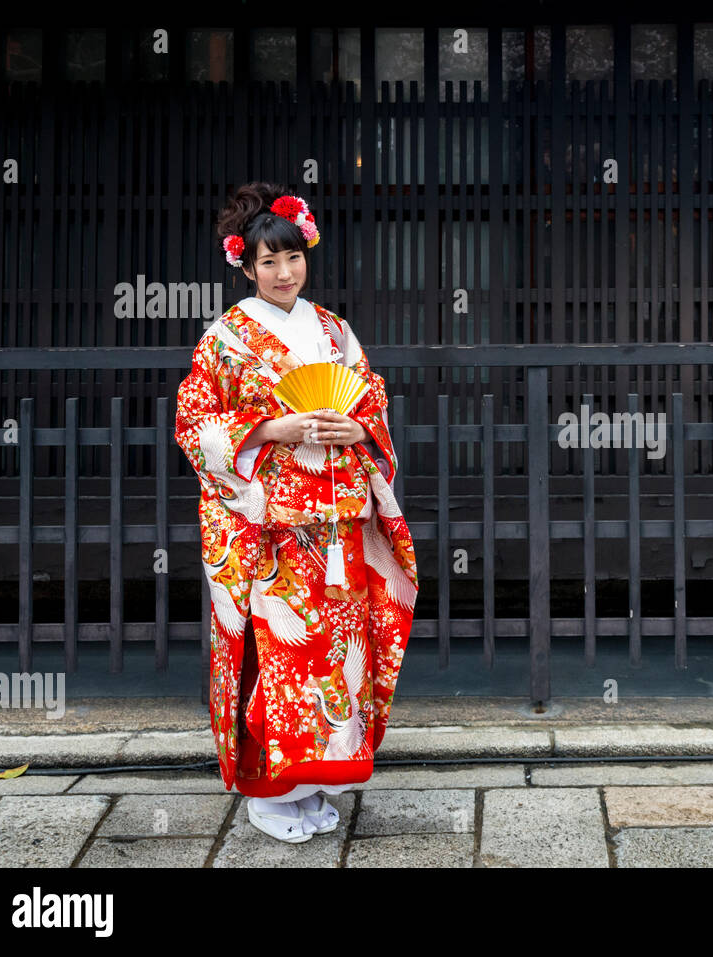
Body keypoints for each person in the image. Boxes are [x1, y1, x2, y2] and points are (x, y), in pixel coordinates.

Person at [174, 182, 418, 843]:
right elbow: (195, 425)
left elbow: (371, 404)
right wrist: (269, 431)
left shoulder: (335, 330)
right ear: (246, 268)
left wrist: (359, 431)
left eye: (293, 258)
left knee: (337, 657)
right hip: (271, 529)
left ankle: (314, 784)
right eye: (268, 263)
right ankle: (270, 793)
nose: (284, 274)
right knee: (281, 654)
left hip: (338, 526)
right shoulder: (225, 338)